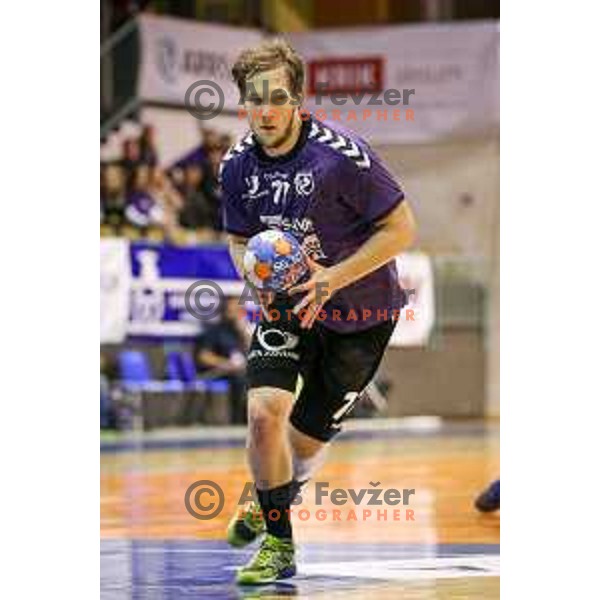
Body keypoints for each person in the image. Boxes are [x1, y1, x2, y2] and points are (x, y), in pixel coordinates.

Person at [220, 39, 417, 584]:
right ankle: (279, 545)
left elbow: (402, 229)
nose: (266, 110)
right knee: (263, 417)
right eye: (254, 98)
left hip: (360, 314)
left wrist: (333, 277)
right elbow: (238, 239)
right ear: (243, 102)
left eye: (277, 97)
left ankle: (274, 496)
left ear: (299, 100)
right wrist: (250, 272)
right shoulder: (237, 166)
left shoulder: (341, 158)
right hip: (286, 305)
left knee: (301, 446)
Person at [195, 297, 252, 424]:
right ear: (224, 311)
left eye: (239, 310)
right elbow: (203, 357)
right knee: (240, 380)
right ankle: (237, 420)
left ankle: (252, 417)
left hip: (237, 370)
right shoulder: (214, 331)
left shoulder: (238, 332)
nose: (236, 313)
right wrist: (226, 364)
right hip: (216, 372)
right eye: (232, 309)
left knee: (255, 377)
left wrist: (244, 332)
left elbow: (251, 352)